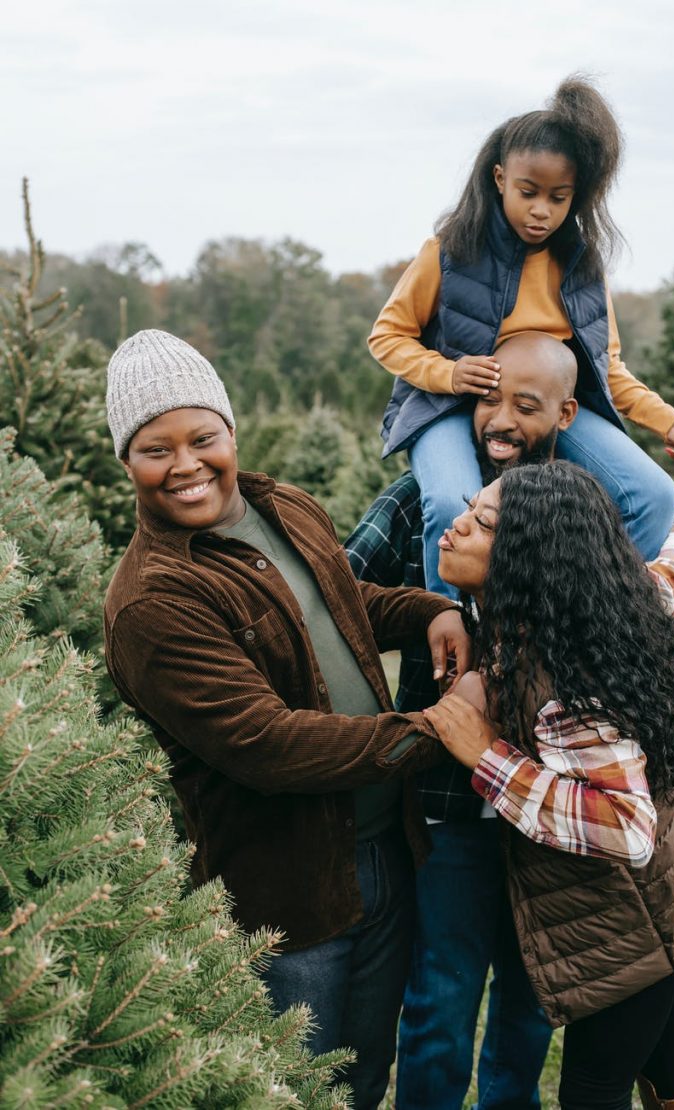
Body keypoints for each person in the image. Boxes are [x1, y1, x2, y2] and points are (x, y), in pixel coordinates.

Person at [103, 329, 472, 1110]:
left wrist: (428, 611)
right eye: (155, 449)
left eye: (202, 438)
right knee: (291, 1093)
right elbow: (265, 745)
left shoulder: (284, 506)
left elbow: (338, 601)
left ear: (231, 432)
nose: (186, 465)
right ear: (126, 461)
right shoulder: (152, 600)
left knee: (363, 1078)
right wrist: (439, 730)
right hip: (290, 896)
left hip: (386, 852)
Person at [346, 332, 674, 1110]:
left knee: (531, 1000)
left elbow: (667, 611)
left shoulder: (575, 512)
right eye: (488, 398)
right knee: (440, 1000)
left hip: (555, 821)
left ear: (565, 414)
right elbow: (340, 599)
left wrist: (596, 662)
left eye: (526, 405)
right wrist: (430, 612)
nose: (500, 420)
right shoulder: (424, 502)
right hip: (450, 808)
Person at [423, 443, 674, 1110]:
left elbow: (626, 829)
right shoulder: (604, 603)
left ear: (526, 561)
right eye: (471, 509)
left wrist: (487, 755)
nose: (457, 525)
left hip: (646, 905)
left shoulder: (564, 688)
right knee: (661, 1044)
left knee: (593, 1088)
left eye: (482, 524)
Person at [368, 75, 674, 598]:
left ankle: (606, 623)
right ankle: (447, 629)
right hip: (446, 405)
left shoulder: (582, 267)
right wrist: (448, 373)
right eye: (528, 193)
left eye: (558, 198)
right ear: (500, 178)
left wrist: (670, 423)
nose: (541, 210)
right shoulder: (449, 251)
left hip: (542, 406)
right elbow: (387, 336)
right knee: (451, 502)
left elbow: (606, 368)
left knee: (652, 493)